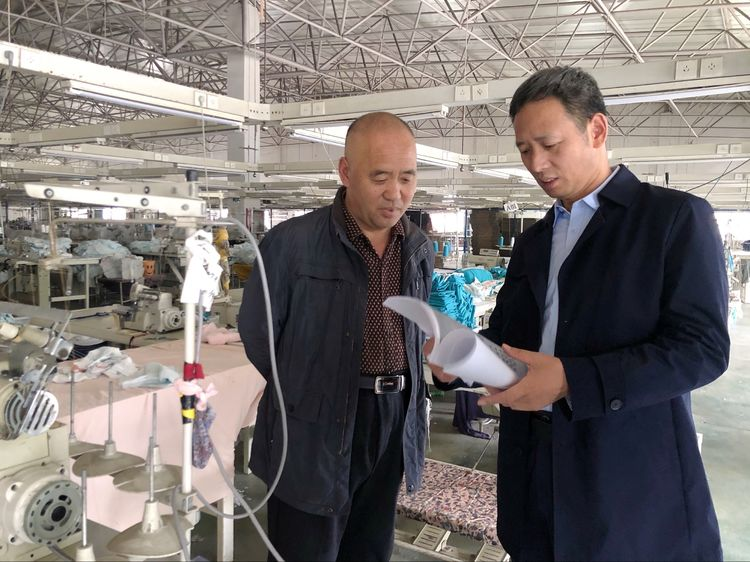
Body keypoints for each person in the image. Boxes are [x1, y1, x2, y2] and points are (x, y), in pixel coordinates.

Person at [429, 66, 730, 561]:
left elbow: (702, 350)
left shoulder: (671, 219)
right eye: (524, 149)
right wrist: (461, 358)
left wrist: (572, 380)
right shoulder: (535, 240)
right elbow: (508, 337)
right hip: (533, 473)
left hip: (624, 476)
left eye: (549, 144)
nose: (536, 163)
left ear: (597, 129)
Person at [238, 112, 434, 561]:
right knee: (306, 547)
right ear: (346, 172)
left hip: (394, 417)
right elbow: (258, 335)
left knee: (371, 547)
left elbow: (414, 329)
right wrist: (307, 393)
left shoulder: (416, 246)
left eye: (407, 177)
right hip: (314, 425)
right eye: (380, 177)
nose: (396, 193)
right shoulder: (292, 244)